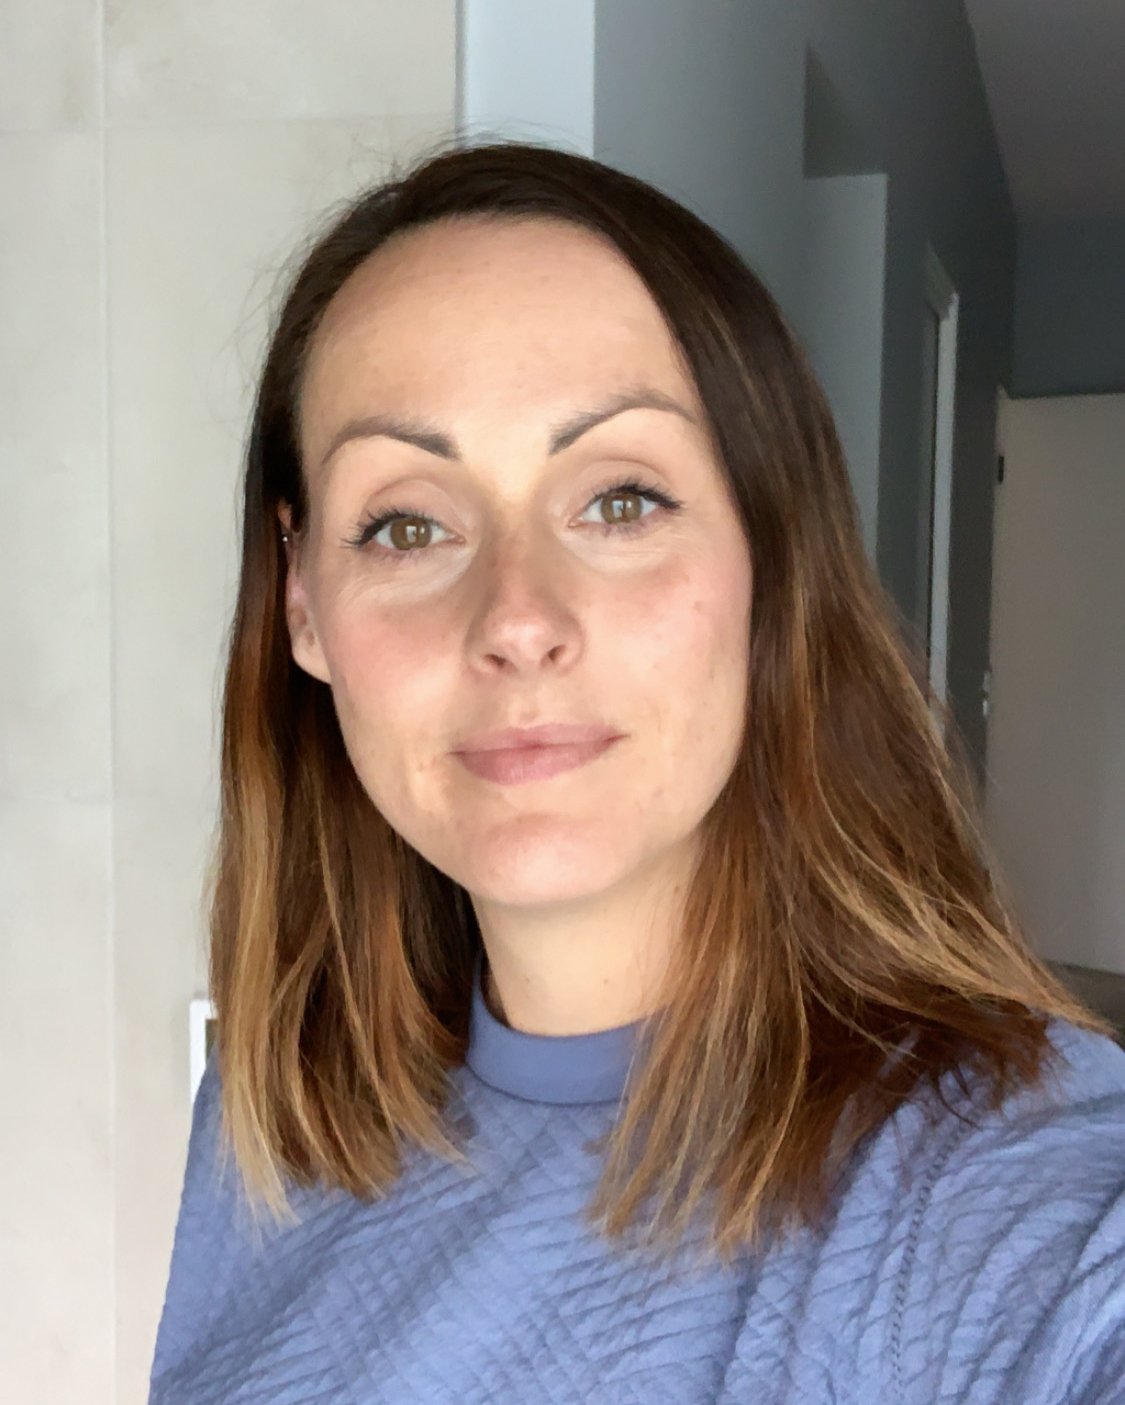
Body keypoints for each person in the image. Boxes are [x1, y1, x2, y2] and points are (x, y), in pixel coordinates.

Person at [148, 138, 1125, 1404]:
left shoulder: (1017, 1200)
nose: (516, 616)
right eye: (406, 521)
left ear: (771, 556)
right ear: (303, 603)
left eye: (619, 499)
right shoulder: (270, 1116)